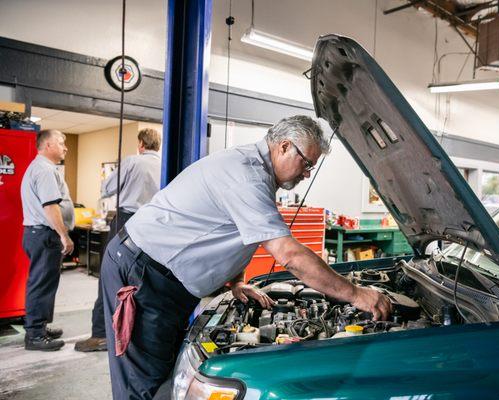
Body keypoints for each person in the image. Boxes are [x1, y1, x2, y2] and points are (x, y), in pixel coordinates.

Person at [101, 115, 392, 399]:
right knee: (145, 385)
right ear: (284, 146)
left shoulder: (257, 174)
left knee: (168, 373)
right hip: (142, 275)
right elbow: (289, 254)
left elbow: (232, 233)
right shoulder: (246, 175)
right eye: (306, 164)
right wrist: (354, 294)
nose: (307, 174)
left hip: (163, 280)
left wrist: (234, 281)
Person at [75, 128, 161, 353]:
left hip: (127, 221)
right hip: (156, 224)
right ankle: (137, 333)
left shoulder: (133, 162)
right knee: (145, 278)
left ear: (141, 144)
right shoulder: (165, 164)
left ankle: (101, 334)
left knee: (111, 274)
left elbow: (107, 189)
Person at [20, 129, 74, 351]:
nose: (65, 147)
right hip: (44, 234)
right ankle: (34, 335)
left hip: (38, 234)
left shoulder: (42, 168)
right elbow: (50, 207)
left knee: (42, 283)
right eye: (61, 143)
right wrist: (64, 235)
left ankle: (38, 326)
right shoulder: (44, 170)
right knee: (41, 284)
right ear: (48, 145)